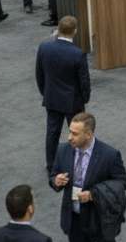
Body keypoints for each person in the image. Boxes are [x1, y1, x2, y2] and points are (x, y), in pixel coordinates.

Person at [48, 113, 126, 242]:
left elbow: (122, 183)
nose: (69, 137)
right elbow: (53, 176)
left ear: (88, 134)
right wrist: (55, 181)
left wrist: (93, 194)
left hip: (98, 218)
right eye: (69, 132)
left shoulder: (109, 154)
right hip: (74, 219)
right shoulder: (62, 150)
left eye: (75, 134)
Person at [36, 17, 92, 174]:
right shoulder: (78, 54)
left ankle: (51, 166)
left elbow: (39, 75)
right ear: (74, 32)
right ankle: (81, 165)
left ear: (59, 30)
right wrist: (84, 99)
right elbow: (84, 82)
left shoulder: (44, 48)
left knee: (52, 133)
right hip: (73, 102)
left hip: (52, 98)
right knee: (79, 134)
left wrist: (46, 93)